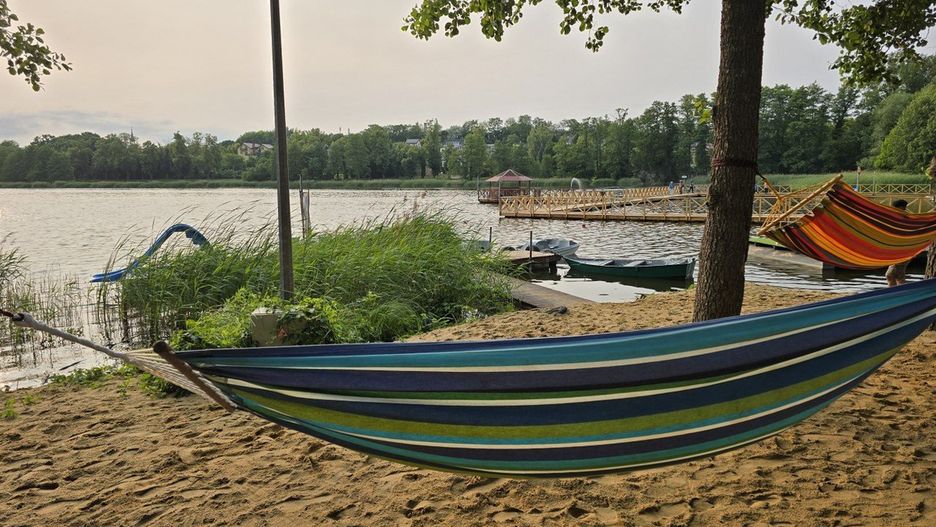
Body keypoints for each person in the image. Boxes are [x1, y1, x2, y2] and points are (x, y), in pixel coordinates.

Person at [885, 199, 910, 287]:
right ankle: (899, 295)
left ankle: (895, 295)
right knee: (899, 275)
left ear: (901, 208)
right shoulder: (898, 218)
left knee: (891, 274)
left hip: (904, 249)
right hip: (899, 249)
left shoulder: (905, 218)